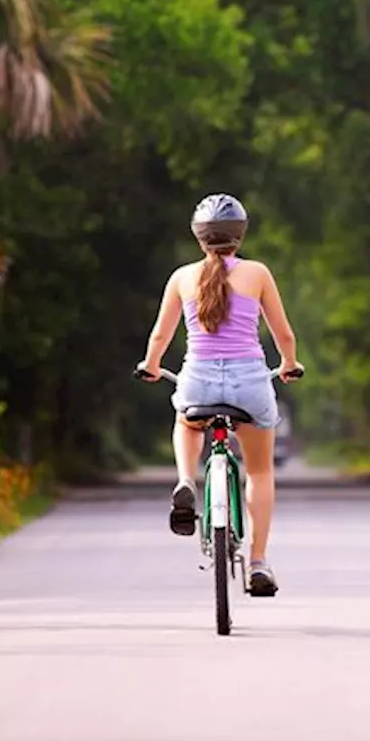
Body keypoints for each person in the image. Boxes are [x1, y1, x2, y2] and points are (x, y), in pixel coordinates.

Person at [136, 193, 303, 597]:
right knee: (260, 472)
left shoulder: (182, 278)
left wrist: (152, 365)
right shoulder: (257, 274)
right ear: (239, 236)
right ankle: (258, 561)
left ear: (199, 237)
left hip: (197, 379)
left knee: (186, 421)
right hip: (250, 381)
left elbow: (161, 334)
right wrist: (289, 362)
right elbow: (283, 333)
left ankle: (185, 480)